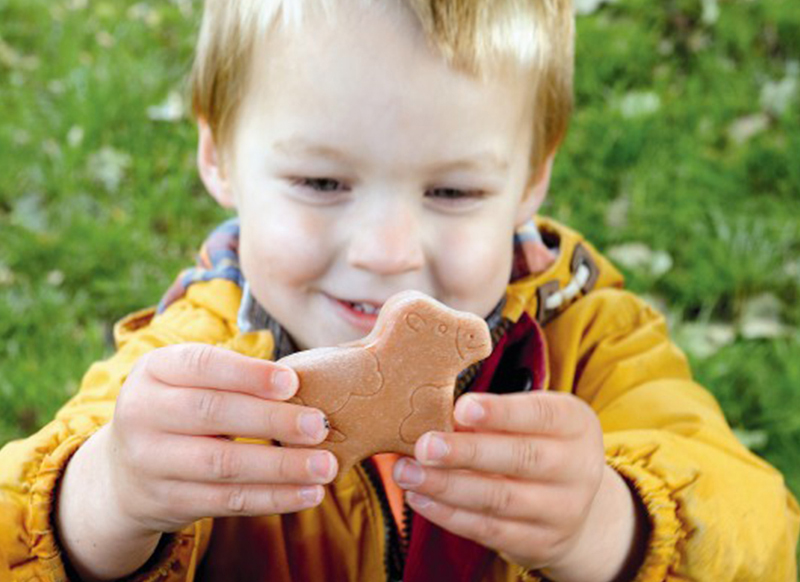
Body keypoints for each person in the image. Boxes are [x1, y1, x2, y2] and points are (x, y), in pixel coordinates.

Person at [1, 1, 798, 581]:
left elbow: (765, 542)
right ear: (217, 155)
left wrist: (611, 525)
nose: (388, 256)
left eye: (452, 193)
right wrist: (104, 498)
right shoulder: (191, 370)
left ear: (533, 176)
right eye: (321, 181)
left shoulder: (590, 344)